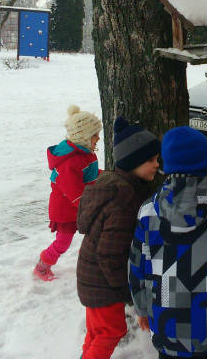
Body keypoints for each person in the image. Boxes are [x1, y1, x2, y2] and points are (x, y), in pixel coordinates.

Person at [128, 126, 207, 359]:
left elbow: (138, 266)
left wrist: (142, 307)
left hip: (165, 315)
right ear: (206, 164)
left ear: (166, 165)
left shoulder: (148, 211)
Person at [77, 117, 161, 359]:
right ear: (133, 161)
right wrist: (127, 291)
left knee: (97, 331)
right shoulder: (124, 199)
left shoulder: (113, 185)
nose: (157, 165)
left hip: (92, 277)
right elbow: (110, 252)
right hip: (104, 283)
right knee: (110, 332)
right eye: (150, 160)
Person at [34, 105, 103, 281]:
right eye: (94, 134)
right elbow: (73, 190)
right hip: (65, 209)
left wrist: (105, 175)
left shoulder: (85, 152)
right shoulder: (70, 162)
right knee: (63, 242)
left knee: (96, 230)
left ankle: (89, 257)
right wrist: (89, 207)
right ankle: (42, 266)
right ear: (84, 137)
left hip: (79, 205)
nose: (98, 138)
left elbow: (88, 173)